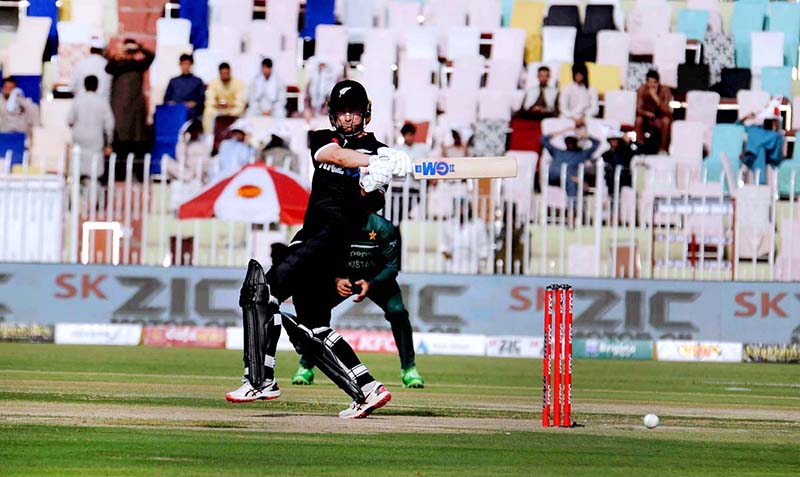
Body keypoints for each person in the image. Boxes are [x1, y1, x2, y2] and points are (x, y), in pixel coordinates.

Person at [225, 80, 410, 419]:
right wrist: (369, 162)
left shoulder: (381, 152)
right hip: (313, 236)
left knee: (260, 293)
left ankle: (259, 379)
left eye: (354, 113)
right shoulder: (323, 138)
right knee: (312, 324)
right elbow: (334, 156)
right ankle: (367, 388)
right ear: (333, 115)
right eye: (342, 113)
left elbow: (373, 201)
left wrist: (379, 176)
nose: (348, 120)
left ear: (365, 114)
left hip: (331, 241)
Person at [291, 193, 424, 389]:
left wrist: (371, 283)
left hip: (376, 280)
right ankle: (306, 366)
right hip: (343, 278)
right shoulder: (336, 225)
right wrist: (337, 278)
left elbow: (392, 267)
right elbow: (322, 256)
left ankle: (409, 370)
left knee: (398, 312)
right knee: (316, 312)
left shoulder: (384, 228)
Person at [105, 38, 155, 181]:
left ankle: (137, 175)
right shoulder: (117, 66)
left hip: (135, 114)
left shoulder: (138, 66)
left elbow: (151, 56)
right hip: (119, 113)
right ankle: (119, 176)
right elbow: (108, 68)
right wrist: (117, 55)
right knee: (120, 144)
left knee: (137, 143)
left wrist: (139, 47)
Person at [67, 75, 115, 180]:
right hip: (96, 138)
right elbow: (109, 124)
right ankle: (92, 191)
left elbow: (70, 120)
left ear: (84, 85)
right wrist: (109, 143)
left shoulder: (78, 100)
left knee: (77, 164)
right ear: (97, 86)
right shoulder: (102, 102)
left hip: (79, 137)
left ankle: (77, 191)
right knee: (94, 168)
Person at [542, 128, 600, 198]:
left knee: (572, 183)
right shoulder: (558, 152)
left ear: (576, 141)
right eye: (568, 140)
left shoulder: (582, 154)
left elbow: (597, 143)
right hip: (554, 177)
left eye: (572, 141)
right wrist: (563, 131)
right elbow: (544, 140)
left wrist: (583, 135)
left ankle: (573, 207)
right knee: (569, 179)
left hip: (570, 181)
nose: (570, 143)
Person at [635, 70, 673, 153]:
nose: (652, 85)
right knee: (638, 120)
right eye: (650, 82)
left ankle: (662, 148)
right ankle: (640, 147)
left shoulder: (665, 90)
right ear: (646, 82)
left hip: (660, 118)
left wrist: (655, 97)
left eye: (654, 82)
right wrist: (647, 113)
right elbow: (638, 109)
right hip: (647, 118)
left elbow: (667, 111)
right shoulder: (642, 89)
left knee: (666, 121)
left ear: (658, 82)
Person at [203, 62, 246, 132]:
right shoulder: (214, 83)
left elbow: (240, 101)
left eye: (227, 73)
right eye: (223, 73)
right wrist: (217, 105)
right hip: (218, 109)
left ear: (230, 72)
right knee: (208, 111)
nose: (225, 75)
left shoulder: (238, 83)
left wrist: (230, 104)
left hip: (232, 109)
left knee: (239, 109)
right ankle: (210, 135)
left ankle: (234, 133)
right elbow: (210, 98)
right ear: (220, 73)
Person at [163, 53, 205, 120]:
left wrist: (195, 103)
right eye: (183, 64)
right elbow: (166, 98)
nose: (185, 66)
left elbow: (202, 98)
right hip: (175, 110)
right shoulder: (173, 81)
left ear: (191, 65)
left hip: (191, 111)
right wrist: (170, 103)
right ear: (180, 64)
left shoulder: (198, 81)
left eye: (187, 64)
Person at [559, 63, 598, 128]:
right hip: (570, 118)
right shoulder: (566, 88)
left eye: (581, 74)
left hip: (586, 117)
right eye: (577, 74)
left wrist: (583, 117)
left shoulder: (591, 89)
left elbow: (595, 109)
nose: (579, 76)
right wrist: (574, 118)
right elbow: (563, 108)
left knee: (593, 125)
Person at [602, 131, 634, 196]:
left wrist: (628, 142)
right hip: (611, 182)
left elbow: (631, 151)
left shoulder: (624, 152)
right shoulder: (605, 154)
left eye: (616, 139)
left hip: (624, 180)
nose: (614, 141)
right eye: (612, 140)